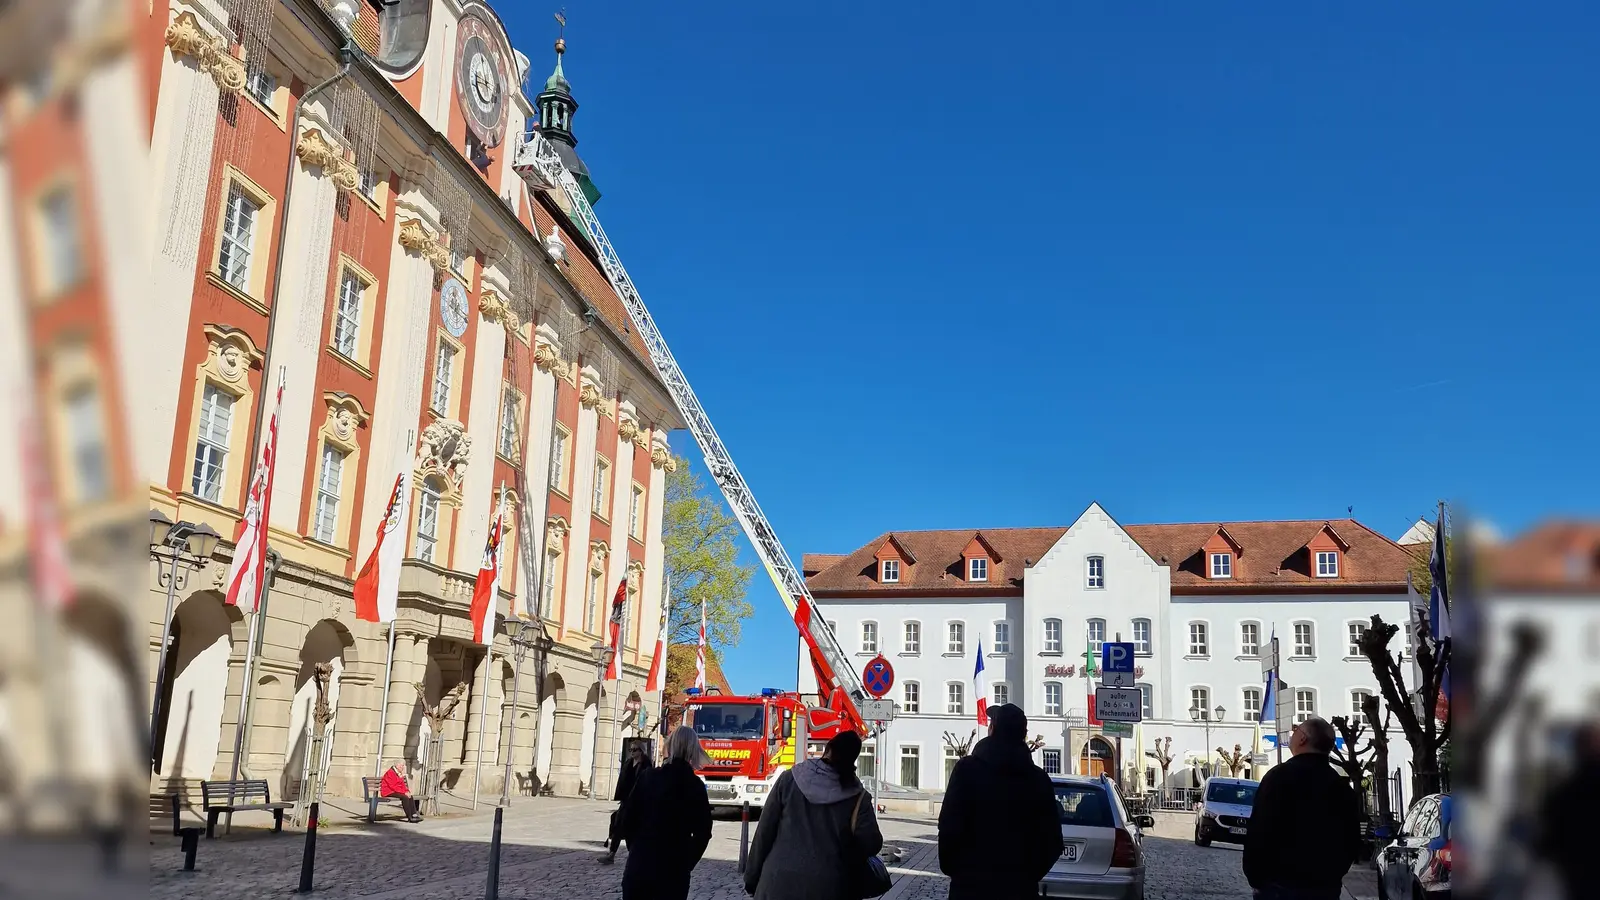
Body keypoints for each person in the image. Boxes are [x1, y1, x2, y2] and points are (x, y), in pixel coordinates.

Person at [938, 704, 1063, 900]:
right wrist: (1027, 876)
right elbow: (1052, 841)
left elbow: (949, 827)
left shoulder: (966, 771)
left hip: (970, 888)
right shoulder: (1038, 780)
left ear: (992, 730)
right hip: (1019, 890)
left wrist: (959, 871)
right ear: (1024, 735)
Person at [743, 731, 884, 900]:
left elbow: (764, 834)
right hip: (832, 887)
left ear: (828, 749)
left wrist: (751, 879)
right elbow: (871, 844)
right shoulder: (858, 796)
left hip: (777, 883)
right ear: (853, 758)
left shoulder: (790, 779)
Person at [1243, 716, 1361, 900]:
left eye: (1296, 730)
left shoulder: (1279, 777)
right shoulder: (1341, 786)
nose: (1293, 733)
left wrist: (1256, 878)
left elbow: (1260, 829)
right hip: (1325, 887)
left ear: (1303, 738)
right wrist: (1333, 875)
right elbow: (1351, 838)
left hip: (1279, 885)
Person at [620, 725, 713, 900]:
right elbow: (703, 833)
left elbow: (627, 819)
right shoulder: (695, 786)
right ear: (694, 750)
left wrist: (636, 850)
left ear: (670, 747)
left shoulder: (648, 777)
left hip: (640, 865)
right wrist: (686, 863)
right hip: (673, 870)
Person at [600, 740, 656, 864]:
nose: (632, 752)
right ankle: (612, 854)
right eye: (630, 749)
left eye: (634, 749)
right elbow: (622, 781)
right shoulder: (628, 763)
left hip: (637, 803)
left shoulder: (646, 765)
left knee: (630, 829)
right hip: (626, 800)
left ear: (641, 751)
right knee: (618, 825)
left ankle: (633, 856)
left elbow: (646, 784)